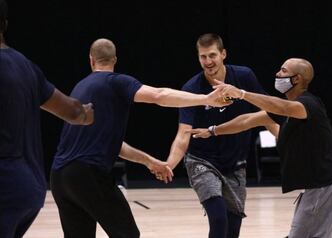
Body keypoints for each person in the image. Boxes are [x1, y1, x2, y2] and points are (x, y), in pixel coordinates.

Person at [49, 38, 230, 238]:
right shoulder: (116, 81)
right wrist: (205, 99)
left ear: (91, 60)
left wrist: (150, 162)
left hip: (59, 178)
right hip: (88, 174)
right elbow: (159, 95)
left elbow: (113, 146)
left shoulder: (80, 87)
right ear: (115, 60)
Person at [190, 58, 332, 238]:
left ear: (296, 79)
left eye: (283, 71)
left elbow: (283, 106)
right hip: (318, 188)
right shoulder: (288, 110)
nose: (277, 74)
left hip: (324, 187)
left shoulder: (308, 105)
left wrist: (241, 94)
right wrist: (213, 130)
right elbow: (247, 120)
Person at [161, 33, 276, 238]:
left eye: (212, 55)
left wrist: (286, 142)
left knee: (233, 228)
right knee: (218, 219)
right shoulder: (192, 88)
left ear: (223, 54)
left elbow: (269, 111)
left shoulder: (243, 77)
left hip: (235, 162)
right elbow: (183, 134)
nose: (208, 61)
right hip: (201, 161)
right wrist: (169, 164)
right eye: (203, 57)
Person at [0, 1, 94, 237]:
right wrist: (88, 112)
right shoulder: (25, 65)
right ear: (5, 24)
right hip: (29, 189)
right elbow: (73, 112)